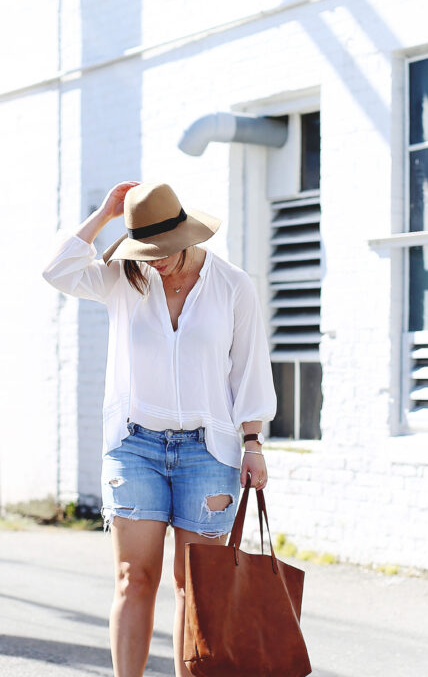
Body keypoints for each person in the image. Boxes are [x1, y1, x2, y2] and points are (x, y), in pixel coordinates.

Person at [41, 180, 277, 677]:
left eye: (164, 250)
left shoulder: (233, 285)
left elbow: (249, 371)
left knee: (195, 587)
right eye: (145, 251)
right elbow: (57, 269)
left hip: (208, 452)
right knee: (133, 578)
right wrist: (106, 212)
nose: (156, 261)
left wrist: (253, 443)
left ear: (187, 233)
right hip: (135, 448)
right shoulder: (122, 279)